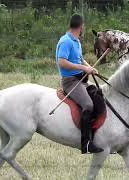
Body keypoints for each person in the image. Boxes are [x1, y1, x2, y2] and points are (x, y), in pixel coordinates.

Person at [55, 14, 103, 154]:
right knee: (88, 105)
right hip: (70, 82)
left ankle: (96, 135)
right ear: (81, 26)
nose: (84, 28)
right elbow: (62, 62)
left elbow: (80, 59)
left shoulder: (76, 41)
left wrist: (90, 68)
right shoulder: (66, 41)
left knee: (98, 95)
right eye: (84, 26)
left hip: (81, 79)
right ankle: (86, 144)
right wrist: (84, 68)